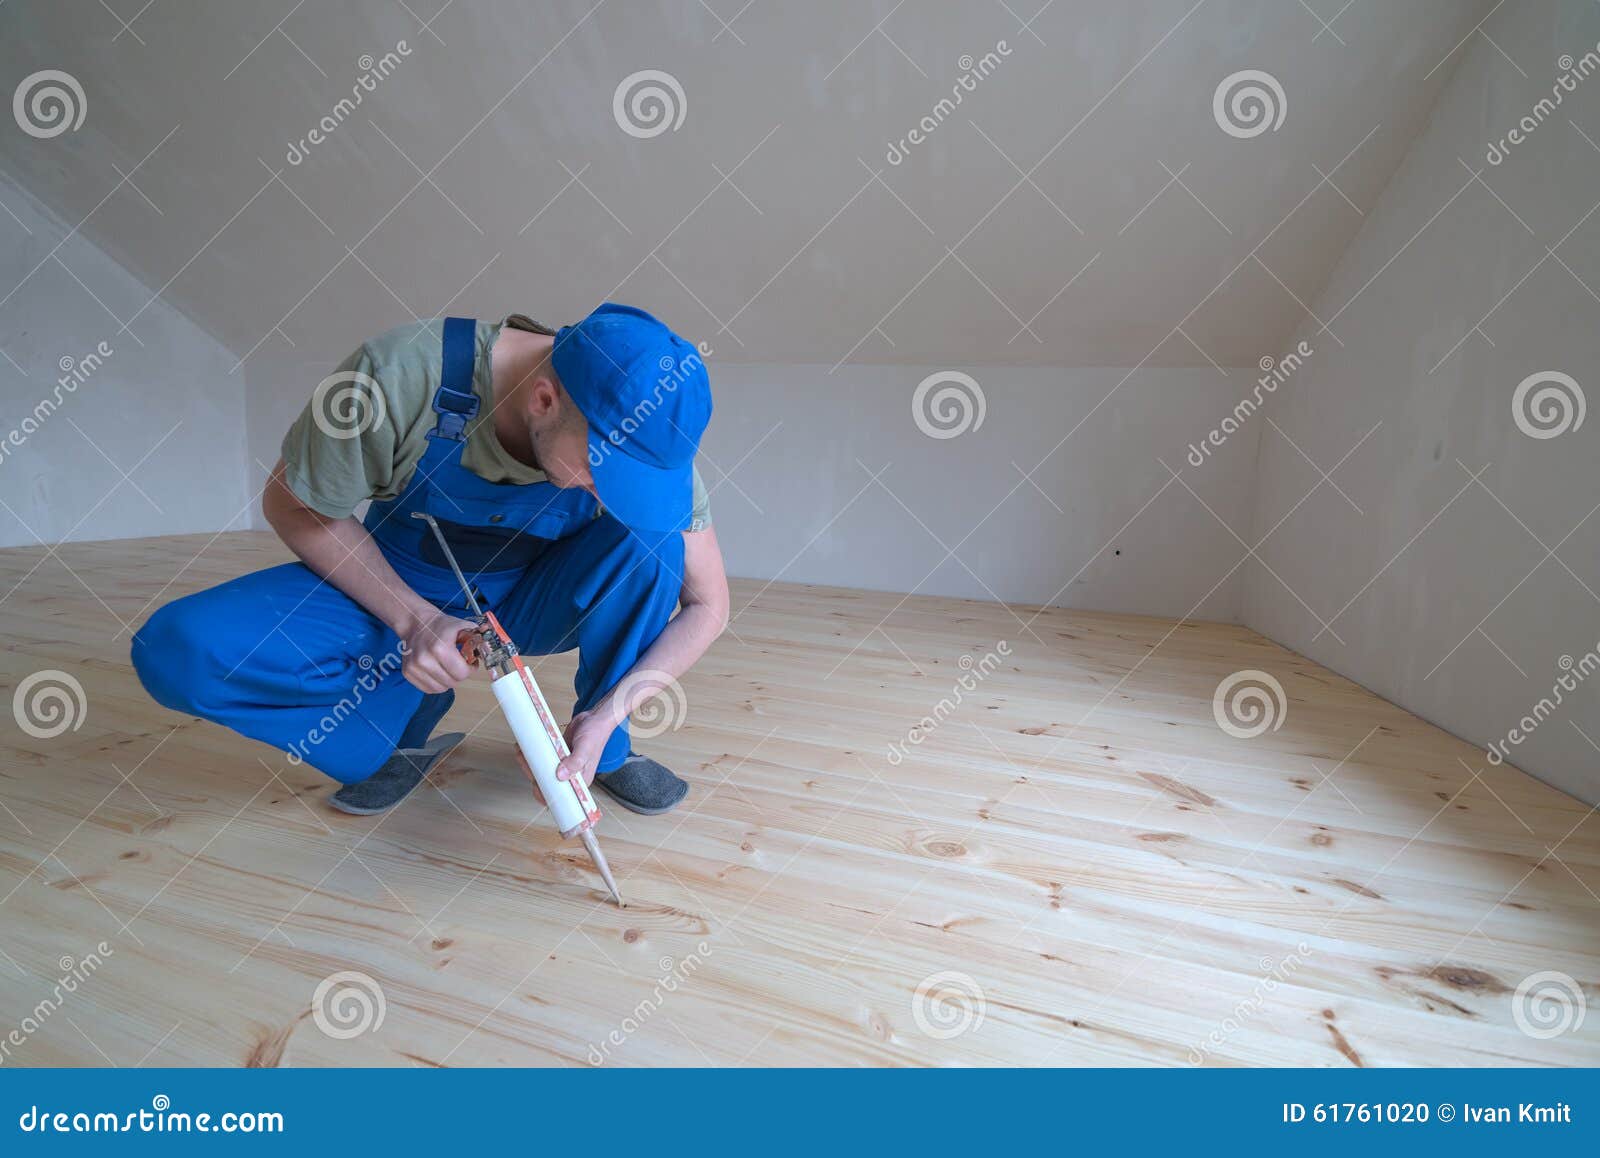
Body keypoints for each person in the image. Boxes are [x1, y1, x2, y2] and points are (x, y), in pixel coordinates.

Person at [132, 304, 727, 817]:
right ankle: (398, 716)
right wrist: (413, 620)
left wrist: (608, 713)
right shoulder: (395, 378)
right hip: (395, 585)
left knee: (651, 544)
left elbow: (709, 605)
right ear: (543, 399)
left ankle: (600, 746)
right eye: (602, 477)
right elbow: (293, 506)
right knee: (177, 649)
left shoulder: (642, 439)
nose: (609, 497)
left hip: (528, 604)